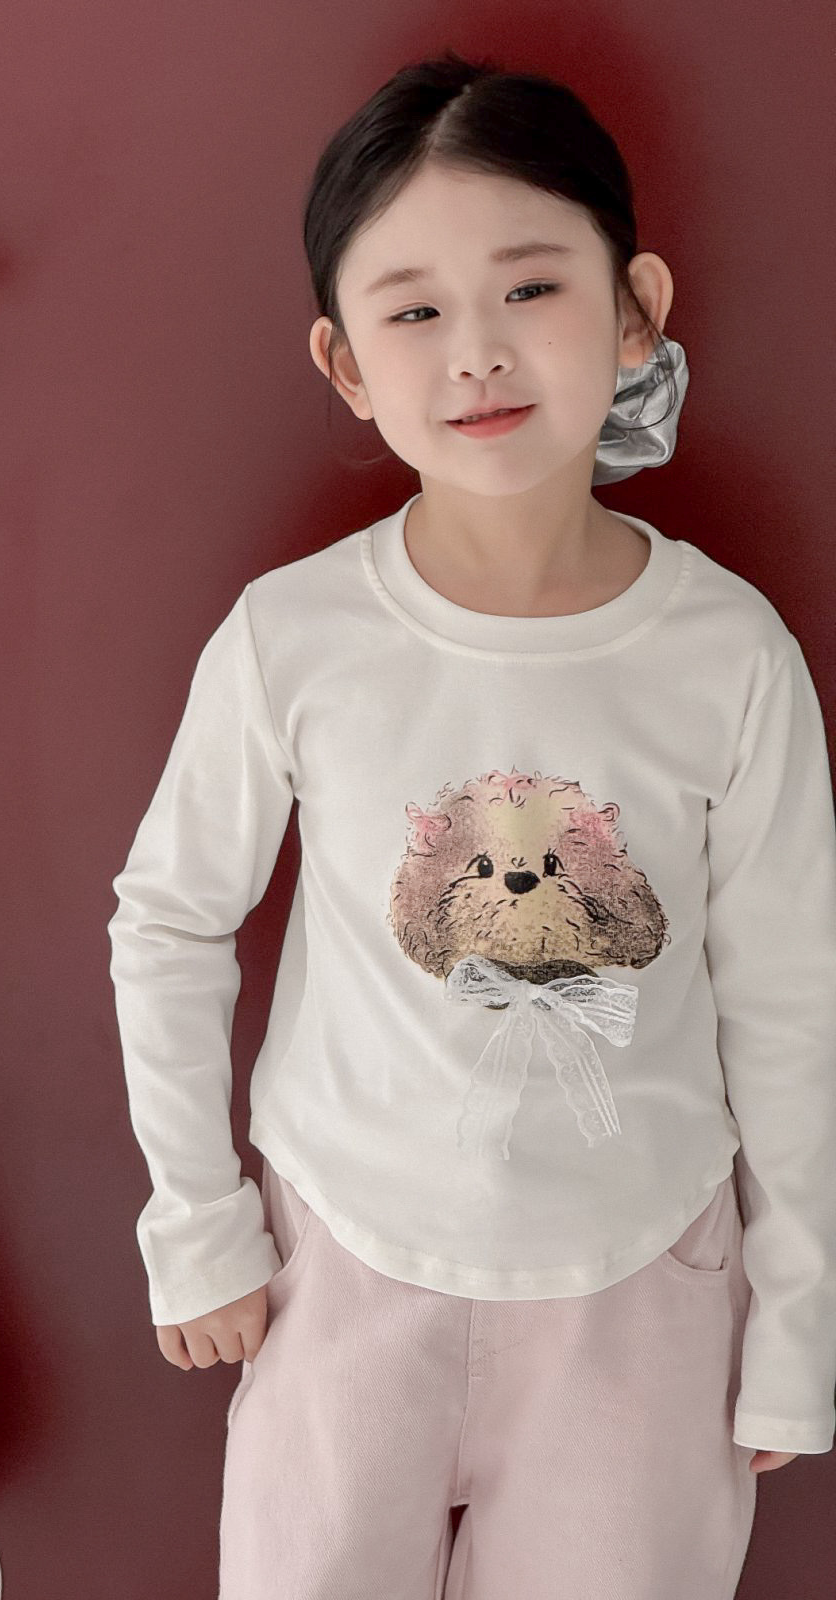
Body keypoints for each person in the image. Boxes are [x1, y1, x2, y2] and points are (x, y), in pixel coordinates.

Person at [106, 49, 836, 1600]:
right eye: (415, 310)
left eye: (532, 288)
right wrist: (198, 1221)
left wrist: (799, 1319)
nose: (479, 352)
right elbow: (168, 919)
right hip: (341, 1264)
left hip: (642, 1286)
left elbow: (793, 1002)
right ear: (345, 360)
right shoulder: (294, 638)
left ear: (636, 307)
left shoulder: (730, 657)